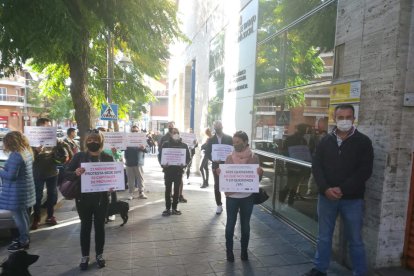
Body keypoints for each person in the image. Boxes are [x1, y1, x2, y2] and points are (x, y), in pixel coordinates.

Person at [303, 104, 374, 276]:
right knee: (324, 236)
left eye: (348, 117)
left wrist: (342, 189)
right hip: (326, 198)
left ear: (354, 118)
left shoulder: (363, 142)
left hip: (352, 199)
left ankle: (359, 272)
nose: (344, 121)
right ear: (335, 119)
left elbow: (365, 171)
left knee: (355, 239)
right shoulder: (325, 140)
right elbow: (317, 166)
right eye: (340, 117)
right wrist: (326, 188)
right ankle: (320, 269)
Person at [65, 129, 114, 271]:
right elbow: (66, 174)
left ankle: (99, 255)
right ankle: (84, 256)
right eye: (90, 140)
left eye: (96, 140)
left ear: (101, 141)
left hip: (101, 199)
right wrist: (75, 173)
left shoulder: (107, 157)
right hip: (83, 199)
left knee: (100, 227)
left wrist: (113, 186)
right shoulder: (79, 157)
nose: (93, 142)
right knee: (85, 227)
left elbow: (115, 177)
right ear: (86, 142)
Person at [216, 131, 263, 262]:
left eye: (238, 142)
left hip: (247, 197)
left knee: (245, 226)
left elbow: (256, 179)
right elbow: (225, 176)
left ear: (245, 142)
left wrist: (260, 173)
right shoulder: (229, 157)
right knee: (230, 225)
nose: (235, 144)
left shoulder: (254, 157)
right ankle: (229, 252)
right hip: (232, 197)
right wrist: (220, 172)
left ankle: (244, 251)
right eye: (234, 142)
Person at [0, 131, 36, 252]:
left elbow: (11, 176)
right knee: (24, 215)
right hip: (24, 190)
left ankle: (23, 240)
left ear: (11, 143)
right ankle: (25, 238)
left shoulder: (16, 155)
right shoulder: (26, 151)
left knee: (19, 218)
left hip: (16, 192)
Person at [31, 118, 59, 229]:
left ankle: (50, 216)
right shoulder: (31, 139)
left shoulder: (53, 139)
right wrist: (36, 150)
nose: (49, 129)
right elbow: (27, 157)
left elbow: (60, 155)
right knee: (37, 196)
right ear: (39, 127)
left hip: (52, 172)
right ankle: (36, 219)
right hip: (38, 173)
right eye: (46, 126)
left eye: (49, 126)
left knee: (51, 195)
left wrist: (60, 145)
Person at [158, 128, 190, 216]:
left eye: (177, 133)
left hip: (178, 172)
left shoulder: (184, 145)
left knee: (176, 190)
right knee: (167, 190)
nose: (175, 134)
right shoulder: (165, 144)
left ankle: (175, 208)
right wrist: (163, 164)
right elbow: (160, 156)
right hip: (168, 171)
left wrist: (184, 164)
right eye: (174, 133)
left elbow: (188, 158)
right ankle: (167, 208)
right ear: (171, 134)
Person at [205, 120, 233, 214]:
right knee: (217, 186)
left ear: (222, 126)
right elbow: (207, 153)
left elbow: (233, 151)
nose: (218, 128)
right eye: (216, 127)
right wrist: (213, 159)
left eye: (219, 126)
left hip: (227, 166)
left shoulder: (229, 138)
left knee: (228, 185)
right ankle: (219, 205)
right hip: (216, 165)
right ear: (214, 128)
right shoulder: (211, 140)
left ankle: (231, 204)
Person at [279, 123, 311, 205]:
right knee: (290, 183)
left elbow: (305, 152)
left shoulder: (303, 140)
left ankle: (289, 201)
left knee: (295, 184)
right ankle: (282, 200)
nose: (305, 132)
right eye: (305, 130)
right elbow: (284, 151)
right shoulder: (291, 139)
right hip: (293, 165)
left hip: (299, 165)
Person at [125, 125, 148, 200]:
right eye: (133, 131)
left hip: (139, 162)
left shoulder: (142, 139)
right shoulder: (126, 139)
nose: (135, 132)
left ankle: (141, 192)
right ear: (130, 131)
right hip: (129, 162)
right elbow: (121, 148)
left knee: (140, 178)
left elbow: (148, 149)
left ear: (139, 131)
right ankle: (131, 193)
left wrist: (144, 148)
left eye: (136, 131)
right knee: (130, 179)